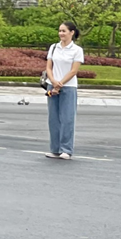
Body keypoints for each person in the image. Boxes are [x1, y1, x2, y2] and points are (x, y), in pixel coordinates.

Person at [44, 21, 84, 160]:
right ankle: (55, 149)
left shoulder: (77, 50)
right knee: (53, 119)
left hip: (68, 87)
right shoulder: (54, 47)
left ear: (72, 33)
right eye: (60, 30)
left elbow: (74, 70)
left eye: (64, 31)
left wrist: (60, 84)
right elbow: (49, 67)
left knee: (67, 119)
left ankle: (66, 149)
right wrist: (54, 82)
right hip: (52, 85)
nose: (61, 33)